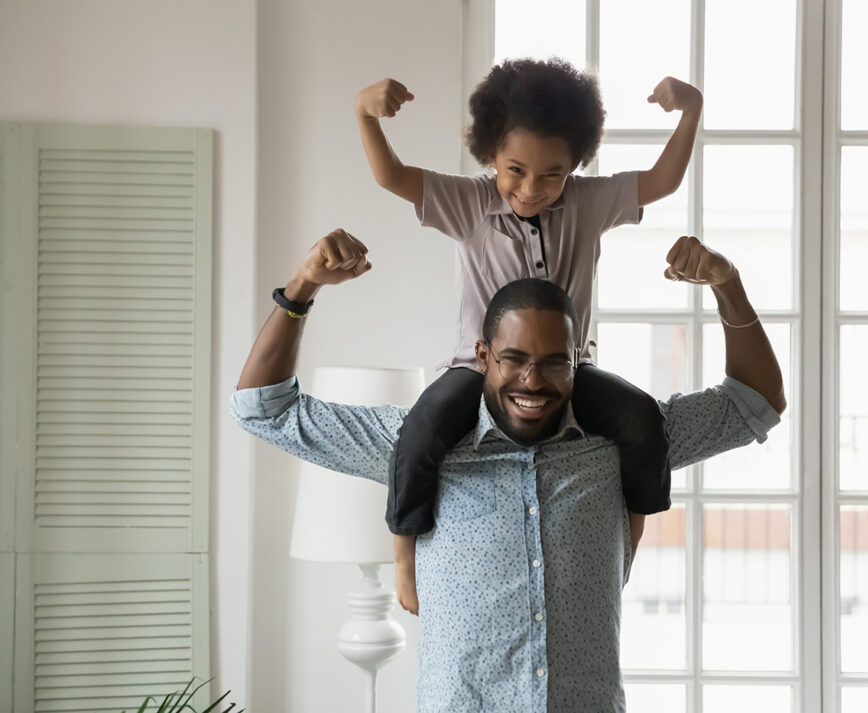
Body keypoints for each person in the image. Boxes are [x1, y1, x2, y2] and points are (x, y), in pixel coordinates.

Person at [231, 227, 785, 712]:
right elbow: (264, 408)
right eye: (514, 359)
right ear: (481, 357)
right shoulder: (417, 445)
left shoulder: (621, 444)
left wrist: (727, 283)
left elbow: (755, 402)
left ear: (579, 360)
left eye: (553, 363)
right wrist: (302, 287)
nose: (532, 381)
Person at [355, 58, 705, 614]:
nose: (532, 188)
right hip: (480, 372)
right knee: (420, 430)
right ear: (490, 153)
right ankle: (403, 555)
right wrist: (366, 116)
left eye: (552, 174)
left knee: (642, 420)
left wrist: (691, 113)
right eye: (515, 170)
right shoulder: (469, 204)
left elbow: (662, 181)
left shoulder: (588, 204)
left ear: (575, 165)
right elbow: (391, 176)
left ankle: (629, 544)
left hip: (571, 371)